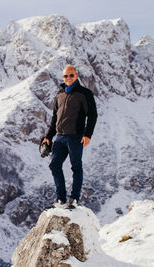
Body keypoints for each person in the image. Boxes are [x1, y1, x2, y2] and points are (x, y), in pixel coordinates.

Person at [42, 65, 98, 209]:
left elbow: (92, 115)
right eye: (65, 76)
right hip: (60, 137)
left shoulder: (84, 93)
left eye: (71, 75)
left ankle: (74, 199)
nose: (68, 78)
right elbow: (55, 117)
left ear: (76, 75)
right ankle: (60, 199)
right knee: (54, 165)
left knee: (76, 167)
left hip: (75, 136)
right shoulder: (59, 94)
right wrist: (48, 136)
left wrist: (87, 134)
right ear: (62, 77)